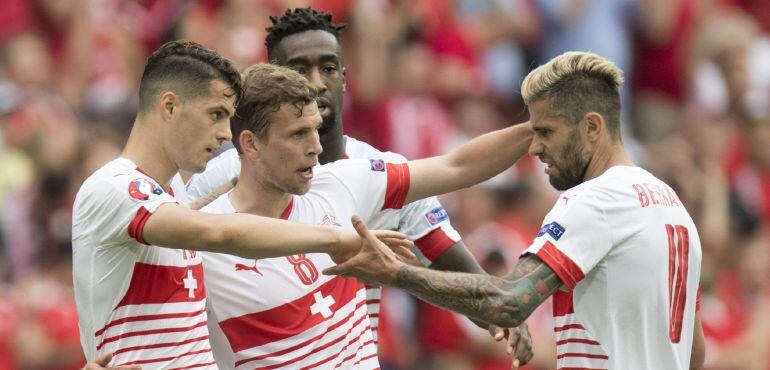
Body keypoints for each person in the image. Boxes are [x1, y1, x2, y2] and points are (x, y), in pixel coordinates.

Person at [185, 7, 532, 360]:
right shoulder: (218, 180)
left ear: (345, 77)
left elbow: (459, 172)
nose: (317, 83)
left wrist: (498, 309)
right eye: (299, 70)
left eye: (329, 68)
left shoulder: (374, 176)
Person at [325, 51, 707, 370]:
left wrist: (395, 273)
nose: (534, 148)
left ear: (592, 126)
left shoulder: (593, 201)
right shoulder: (674, 209)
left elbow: (507, 302)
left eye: (546, 132)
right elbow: (694, 353)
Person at [72, 40, 411, 369]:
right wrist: (336, 239)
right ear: (170, 106)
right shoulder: (113, 187)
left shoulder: (174, 195)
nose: (224, 134)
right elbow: (217, 233)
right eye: (216, 115)